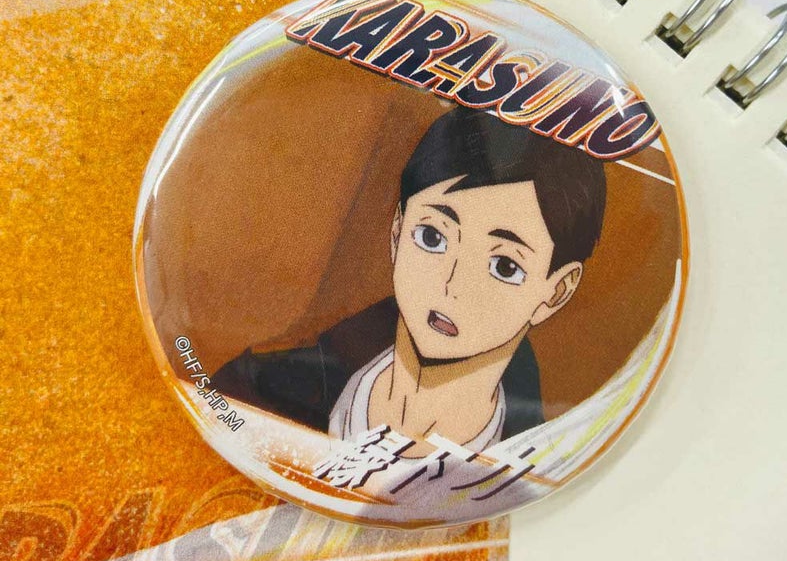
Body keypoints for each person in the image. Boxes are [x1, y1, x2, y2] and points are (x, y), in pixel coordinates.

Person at [211, 107, 606, 453]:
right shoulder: (252, 390)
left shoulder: (539, 467)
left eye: (504, 266)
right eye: (432, 237)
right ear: (398, 232)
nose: (452, 285)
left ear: (555, 292)